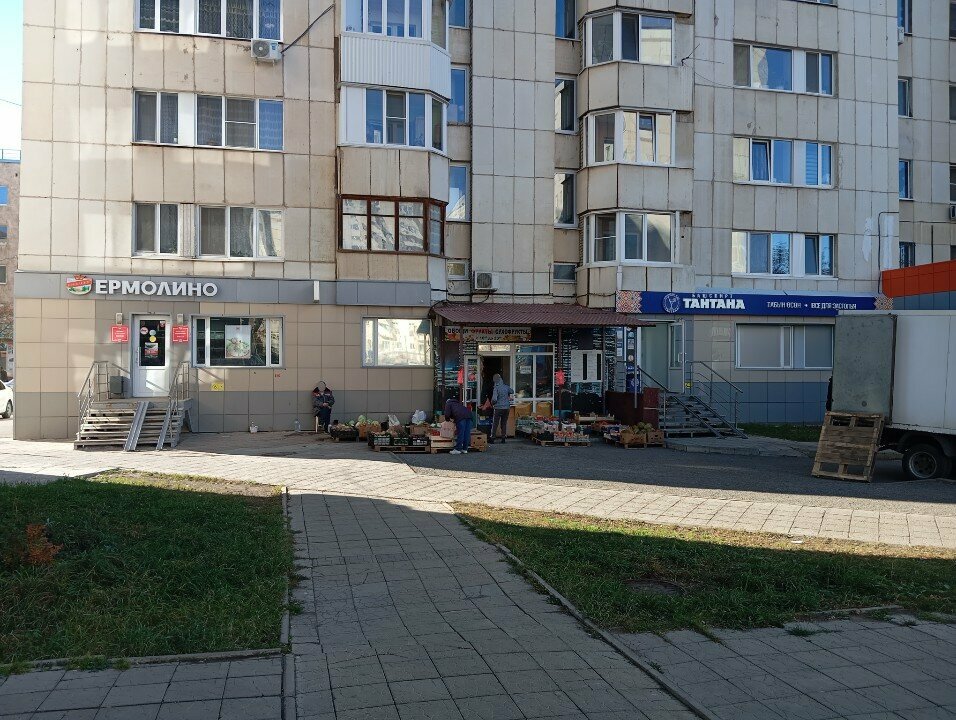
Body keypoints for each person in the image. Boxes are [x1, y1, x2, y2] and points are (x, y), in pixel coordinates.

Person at [490, 373, 514, 444]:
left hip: (498, 408)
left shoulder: (496, 388)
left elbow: (494, 399)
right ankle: (503, 438)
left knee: (495, 423)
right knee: (504, 423)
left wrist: (492, 403)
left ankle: (492, 438)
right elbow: (512, 391)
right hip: (506, 408)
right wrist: (507, 394)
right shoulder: (506, 387)